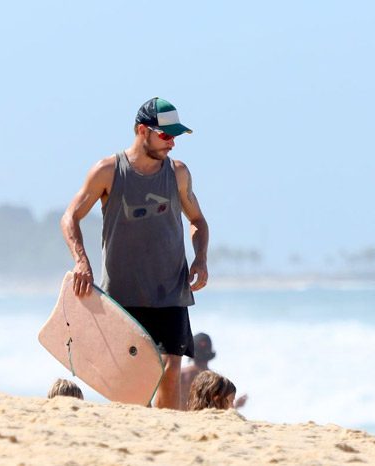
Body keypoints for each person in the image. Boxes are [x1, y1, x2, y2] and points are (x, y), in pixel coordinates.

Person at [62, 97, 209, 410]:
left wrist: (201, 259)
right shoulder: (108, 171)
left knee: (170, 368)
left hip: (170, 291)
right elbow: (70, 217)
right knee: (132, 378)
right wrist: (81, 262)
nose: (172, 144)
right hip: (123, 294)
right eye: (166, 136)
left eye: (176, 137)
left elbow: (197, 221)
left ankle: (164, 436)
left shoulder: (178, 173)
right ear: (143, 131)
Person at [180, 332, 247, 410]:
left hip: (177, 421)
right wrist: (236, 405)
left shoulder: (179, 375)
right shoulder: (217, 381)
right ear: (209, 356)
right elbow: (222, 412)